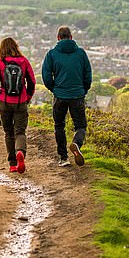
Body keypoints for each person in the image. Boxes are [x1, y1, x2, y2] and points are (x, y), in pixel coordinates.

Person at [41, 26, 92, 167]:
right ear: (71, 37)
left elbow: (46, 75)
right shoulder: (81, 53)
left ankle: (63, 158)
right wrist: (84, 89)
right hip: (77, 95)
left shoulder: (51, 54)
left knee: (59, 126)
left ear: (58, 38)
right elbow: (87, 74)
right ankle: (76, 143)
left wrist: (54, 88)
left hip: (60, 96)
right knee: (80, 126)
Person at [0, 37, 36, 173]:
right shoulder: (24, 61)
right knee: (20, 131)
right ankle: (20, 152)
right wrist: (27, 97)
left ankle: (12, 163)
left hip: (4, 101)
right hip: (20, 101)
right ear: (16, 47)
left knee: (8, 132)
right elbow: (32, 81)